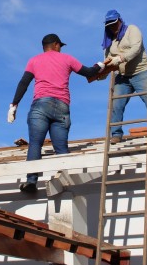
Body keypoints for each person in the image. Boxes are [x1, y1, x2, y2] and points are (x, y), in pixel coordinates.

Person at [8, 34, 107, 193]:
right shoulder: (67, 59)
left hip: (41, 105)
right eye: (60, 45)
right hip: (62, 106)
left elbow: (24, 83)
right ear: (55, 45)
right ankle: (66, 182)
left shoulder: (34, 61)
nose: (60, 48)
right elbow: (88, 72)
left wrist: (14, 104)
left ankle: (31, 182)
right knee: (61, 148)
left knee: (35, 144)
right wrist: (99, 65)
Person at [100, 9, 147, 143]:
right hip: (122, 76)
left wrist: (120, 58)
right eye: (109, 25)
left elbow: (136, 48)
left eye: (114, 23)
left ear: (120, 21)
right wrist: (102, 71)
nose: (112, 27)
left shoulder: (132, 30)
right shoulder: (109, 41)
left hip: (141, 72)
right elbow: (107, 60)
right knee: (115, 104)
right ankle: (116, 134)